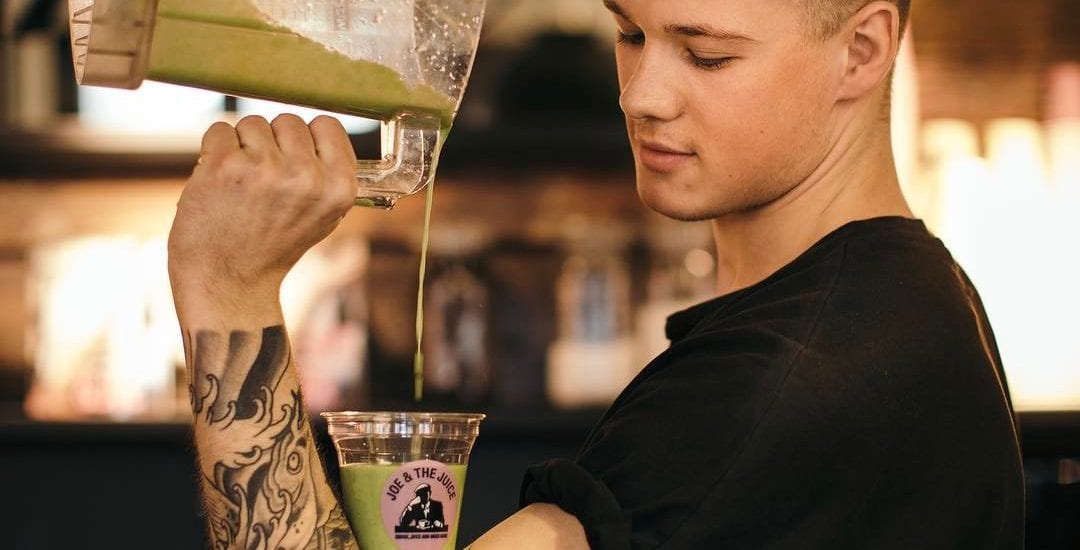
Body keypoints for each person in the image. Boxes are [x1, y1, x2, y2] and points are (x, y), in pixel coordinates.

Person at [168, 0, 1025, 549]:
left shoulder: (781, 380)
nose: (641, 94)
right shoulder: (911, 294)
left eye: (707, 55)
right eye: (631, 34)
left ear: (862, 50)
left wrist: (227, 288)